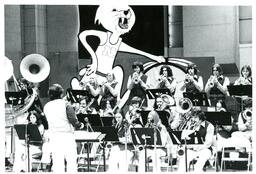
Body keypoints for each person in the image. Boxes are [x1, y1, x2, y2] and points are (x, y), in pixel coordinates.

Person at [43, 84, 84, 172]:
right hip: (66, 136)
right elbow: (74, 121)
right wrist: (81, 125)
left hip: (53, 136)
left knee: (57, 163)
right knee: (71, 161)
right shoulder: (66, 104)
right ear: (61, 94)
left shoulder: (46, 106)